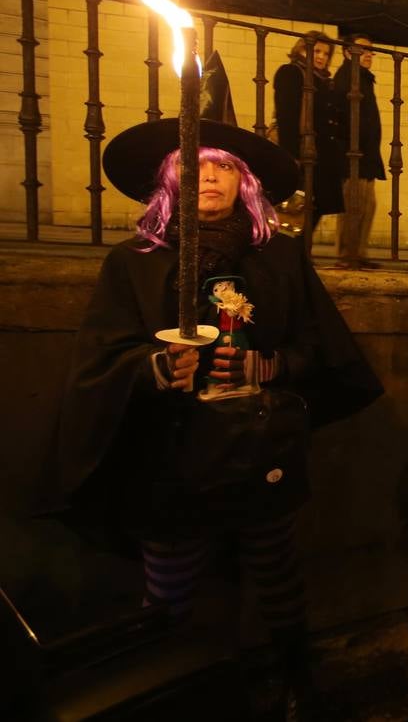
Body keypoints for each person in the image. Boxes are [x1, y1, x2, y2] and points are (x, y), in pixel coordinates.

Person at [57, 99, 383, 722]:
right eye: (191, 165)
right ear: (169, 181)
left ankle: (296, 679)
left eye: (224, 168)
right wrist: (153, 368)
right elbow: (100, 358)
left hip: (257, 452)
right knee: (171, 588)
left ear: (245, 183)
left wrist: (271, 365)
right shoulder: (134, 263)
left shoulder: (279, 260)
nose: (208, 178)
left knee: (276, 571)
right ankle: (179, 691)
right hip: (171, 458)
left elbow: (320, 347)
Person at [328, 34, 386, 270]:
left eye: (371, 50)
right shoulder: (348, 77)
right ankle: (348, 254)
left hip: (365, 154)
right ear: (347, 52)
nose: (369, 54)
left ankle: (357, 252)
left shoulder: (361, 78)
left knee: (366, 205)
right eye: (363, 50)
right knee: (354, 206)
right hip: (354, 155)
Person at [273, 31, 344, 225]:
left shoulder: (323, 80)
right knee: (294, 210)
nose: (321, 57)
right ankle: (293, 254)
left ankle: (304, 254)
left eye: (326, 53)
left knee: (315, 209)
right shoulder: (292, 72)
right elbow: (286, 116)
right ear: (302, 50)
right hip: (302, 153)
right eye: (316, 50)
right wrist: (291, 157)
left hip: (322, 156)